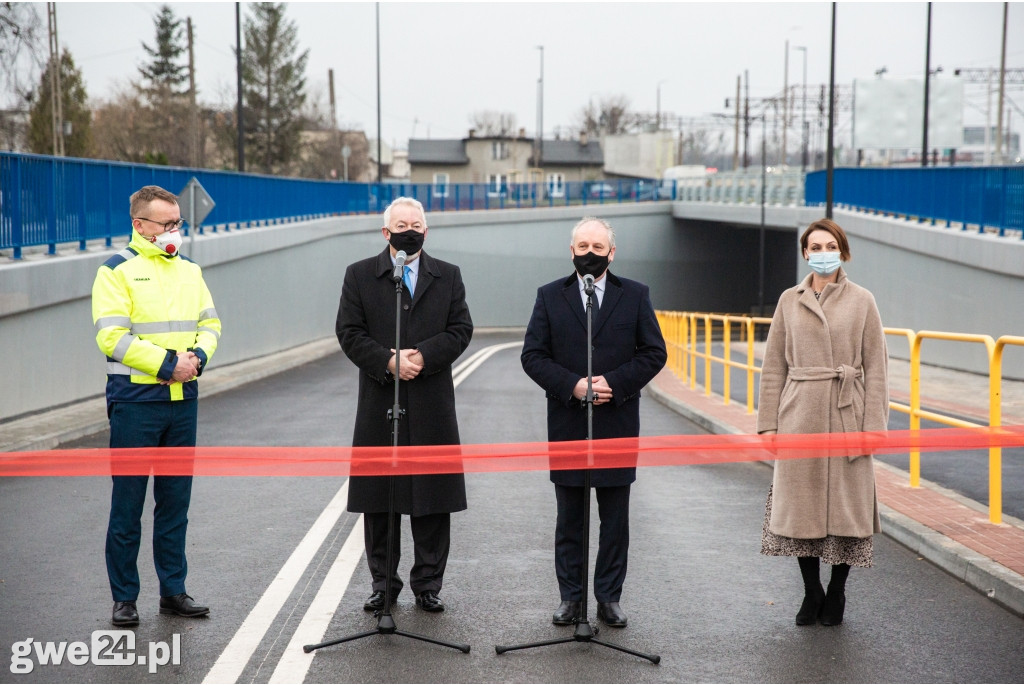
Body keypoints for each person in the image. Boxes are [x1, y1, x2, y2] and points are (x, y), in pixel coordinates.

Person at [521, 216, 667, 629]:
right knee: (569, 519)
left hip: (617, 423)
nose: (589, 254)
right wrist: (574, 386)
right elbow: (533, 355)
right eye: (582, 246)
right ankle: (570, 598)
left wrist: (614, 383)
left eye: (597, 247)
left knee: (615, 520)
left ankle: (608, 598)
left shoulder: (635, 295)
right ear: (571, 251)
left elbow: (654, 353)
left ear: (611, 253)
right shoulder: (549, 296)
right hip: (568, 423)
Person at [92, 185, 221, 626]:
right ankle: (125, 597)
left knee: (174, 503)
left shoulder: (190, 270)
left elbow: (210, 323)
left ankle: (173, 591)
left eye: (178, 223)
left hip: (182, 400)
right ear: (139, 225)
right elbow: (112, 336)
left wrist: (198, 358)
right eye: (166, 223)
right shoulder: (116, 271)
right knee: (127, 505)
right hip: (136, 401)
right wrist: (169, 365)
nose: (174, 230)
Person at [336, 197, 473, 614]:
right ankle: (383, 584)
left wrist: (423, 356)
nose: (408, 229)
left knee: (431, 497)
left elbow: (461, 328)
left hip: (432, 401)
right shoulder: (360, 275)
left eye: (416, 224)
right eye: (400, 224)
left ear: (426, 232)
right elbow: (348, 330)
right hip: (381, 400)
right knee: (381, 498)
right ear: (386, 232)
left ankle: (428, 584)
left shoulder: (448, 276)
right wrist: (388, 361)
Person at [757, 218, 889, 627]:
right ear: (805, 253)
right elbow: (773, 365)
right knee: (802, 508)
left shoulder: (863, 299)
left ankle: (837, 590)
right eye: (814, 246)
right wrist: (769, 424)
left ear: (843, 250)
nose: (822, 252)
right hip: (800, 413)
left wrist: (873, 427)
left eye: (829, 245)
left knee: (846, 510)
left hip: (848, 413)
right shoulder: (788, 300)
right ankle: (811, 590)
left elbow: (877, 366)